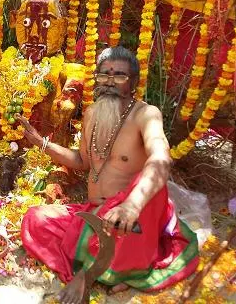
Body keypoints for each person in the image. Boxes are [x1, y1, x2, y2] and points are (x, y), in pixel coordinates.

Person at [17, 46, 199, 302]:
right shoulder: (92, 114)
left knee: (127, 213)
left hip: (130, 217)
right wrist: (40, 143)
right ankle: (112, 267)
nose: (109, 82)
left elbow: (160, 157)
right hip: (95, 211)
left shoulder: (146, 115)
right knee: (36, 218)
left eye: (119, 76)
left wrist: (132, 206)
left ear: (133, 83)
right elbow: (82, 161)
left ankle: (89, 274)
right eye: (104, 75)